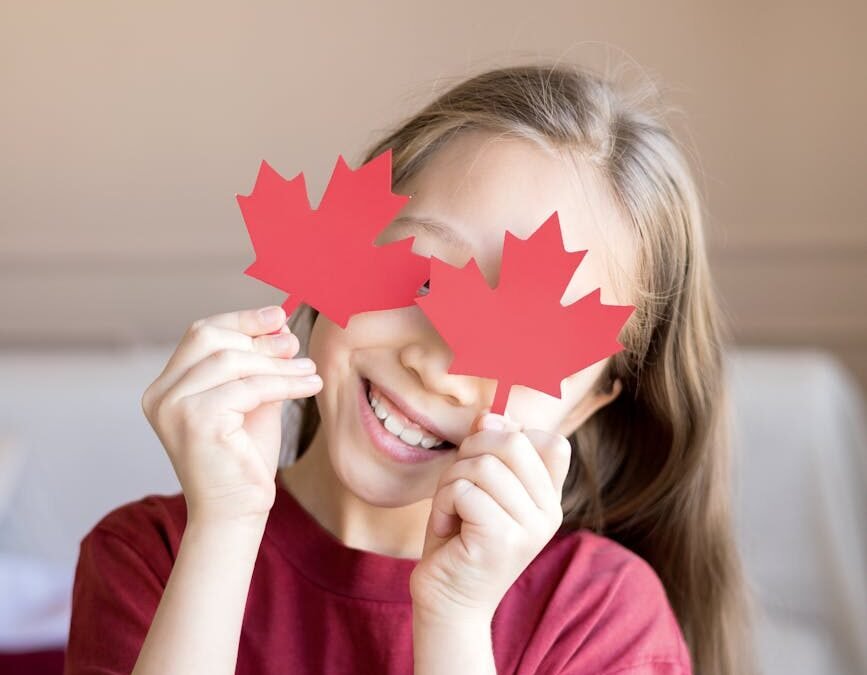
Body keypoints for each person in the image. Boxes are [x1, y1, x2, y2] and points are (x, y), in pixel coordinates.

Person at [64, 63, 757, 675]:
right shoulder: (149, 557)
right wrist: (226, 526)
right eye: (422, 276)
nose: (436, 365)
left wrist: (453, 620)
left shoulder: (599, 619)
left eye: (520, 338)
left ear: (586, 405)